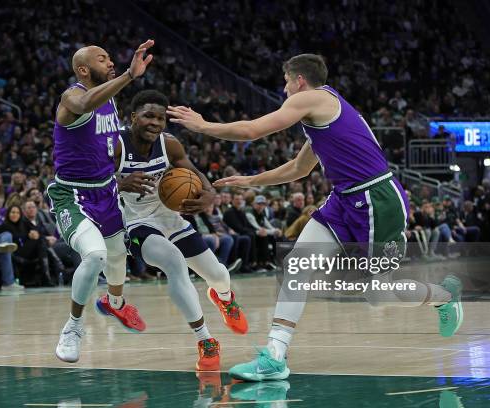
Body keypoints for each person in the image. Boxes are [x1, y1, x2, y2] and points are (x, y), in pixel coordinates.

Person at [168, 53, 463, 381]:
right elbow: (298, 169)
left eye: (285, 81)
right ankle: (275, 357)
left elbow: (253, 130)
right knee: (297, 265)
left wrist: (203, 125)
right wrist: (249, 181)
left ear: (299, 81)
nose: (283, 90)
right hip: (343, 200)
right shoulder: (320, 117)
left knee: (378, 294)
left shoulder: (313, 98)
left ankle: (444, 296)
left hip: (376, 200)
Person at [110, 89, 249, 371]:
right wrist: (117, 184)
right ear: (134, 117)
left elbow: (195, 173)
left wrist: (209, 193)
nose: (155, 123)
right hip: (136, 222)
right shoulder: (116, 146)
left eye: (161, 118)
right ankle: (206, 340)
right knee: (174, 262)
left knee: (219, 275)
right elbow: (91, 184)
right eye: (149, 116)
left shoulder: (170, 145)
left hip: (171, 217)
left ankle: (223, 298)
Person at [49, 40, 153, 363]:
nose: (110, 62)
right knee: (94, 255)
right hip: (73, 195)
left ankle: (116, 303)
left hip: (106, 190)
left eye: (110, 58)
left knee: (118, 254)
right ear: (83, 69)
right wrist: (128, 76)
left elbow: (109, 148)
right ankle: (73, 327)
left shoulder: (110, 104)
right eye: (102, 58)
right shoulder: (72, 96)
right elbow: (83, 105)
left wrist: (122, 178)